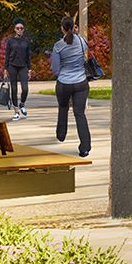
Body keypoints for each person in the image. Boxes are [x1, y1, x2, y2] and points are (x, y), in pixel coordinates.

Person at [51, 15, 91, 157]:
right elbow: (85, 53)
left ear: (62, 28)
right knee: (80, 114)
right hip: (81, 82)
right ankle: (85, 147)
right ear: (73, 27)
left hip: (64, 83)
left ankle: (61, 134)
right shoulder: (81, 41)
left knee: (63, 108)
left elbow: (55, 68)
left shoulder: (58, 46)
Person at [3, 21, 33, 120]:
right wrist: (5, 69)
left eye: (21, 28)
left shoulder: (26, 41)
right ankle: (16, 111)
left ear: (23, 29)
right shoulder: (10, 41)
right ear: (14, 29)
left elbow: (28, 56)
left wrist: (29, 69)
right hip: (12, 66)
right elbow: (7, 55)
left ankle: (22, 104)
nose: (19, 30)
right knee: (14, 89)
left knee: (25, 88)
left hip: (23, 66)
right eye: (17, 28)